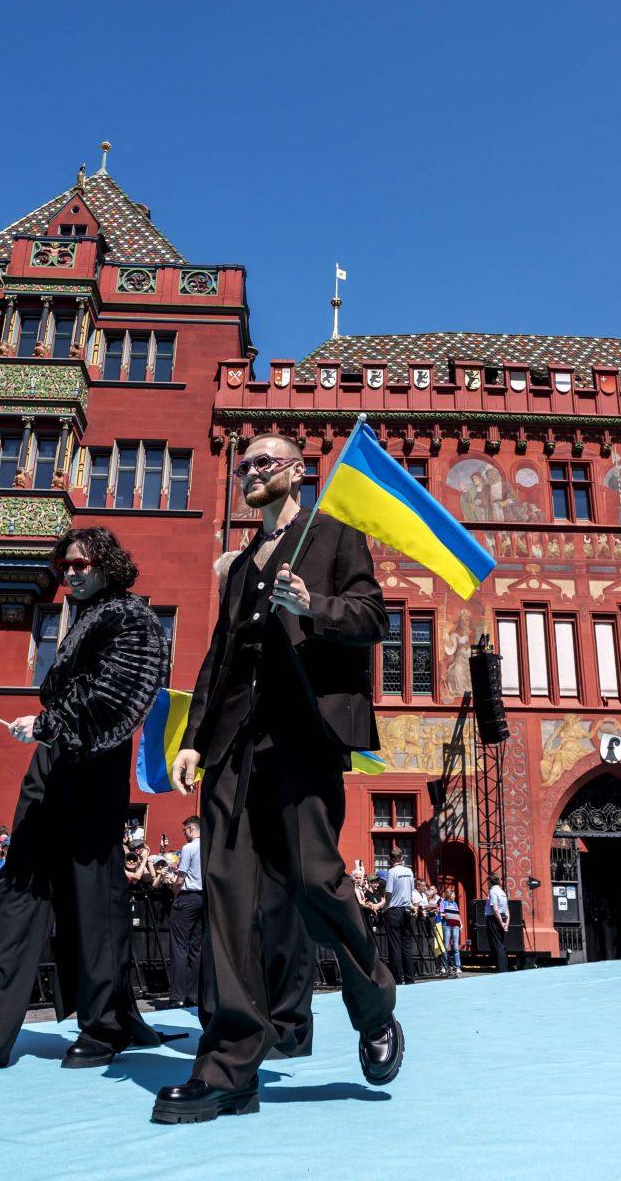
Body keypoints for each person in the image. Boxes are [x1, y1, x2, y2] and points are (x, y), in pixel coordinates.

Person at [154, 435, 402, 1125]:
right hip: (236, 744)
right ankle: (230, 1065)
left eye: (265, 462)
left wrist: (312, 605)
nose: (250, 472)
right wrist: (195, 742)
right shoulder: (239, 567)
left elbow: (373, 617)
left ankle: (374, 1006)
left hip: (303, 734)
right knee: (230, 898)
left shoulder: (332, 537)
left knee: (317, 883)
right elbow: (220, 659)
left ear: (297, 473)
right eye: (245, 464)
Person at [0, 526, 172, 1071]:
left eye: (79, 564)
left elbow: (122, 698)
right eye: (64, 567)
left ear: (107, 563)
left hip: (94, 763)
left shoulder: (133, 617)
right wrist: (51, 729)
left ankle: (106, 1023)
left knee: (93, 891)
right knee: (16, 887)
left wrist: (52, 723)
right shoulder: (82, 619)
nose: (69, 573)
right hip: (53, 759)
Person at [169, 815, 205, 1008]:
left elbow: (181, 878)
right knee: (196, 948)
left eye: (185, 831)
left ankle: (177, 995)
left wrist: (175, 896)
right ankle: (193, 994)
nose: (184, 834)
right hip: (203, 898)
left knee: (179, 946)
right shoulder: (208, 847)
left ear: (191, 829)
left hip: (187, 897)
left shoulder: (189, 848)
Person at [384, 848, 417, 984]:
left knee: (395, 945)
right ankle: (410, 977)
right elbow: (412, 890)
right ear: (402, 858)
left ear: (391, 860)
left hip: (395, 910)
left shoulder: (392, 872)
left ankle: (397, 978)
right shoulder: (409, 871)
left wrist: (386, 904)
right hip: (407, 909)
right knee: (406, 945)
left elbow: (388, 891)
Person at [438, 881, 464, 977]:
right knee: (446, 946)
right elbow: (441, 914)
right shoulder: (443, 903)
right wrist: (448, 915)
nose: (455, 896)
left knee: (456, 947)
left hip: (455, 925)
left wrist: (461, 924)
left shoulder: (455, 904)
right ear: (449, 895)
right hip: (447, 925)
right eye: (453, 895)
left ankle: (457, 966)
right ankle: (444, 966)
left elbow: (457, 915)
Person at [486, 876, 511, 970]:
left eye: (487, 881)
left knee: (496, 944)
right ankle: (503, 967)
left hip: (494, 919)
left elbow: (495, 909)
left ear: (490, 881)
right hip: (503, 917)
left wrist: (501, 923)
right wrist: (506, 923)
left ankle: (501, 968)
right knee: (500, 943)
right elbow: (507, 909)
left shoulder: (492, 891)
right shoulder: (502, 892)